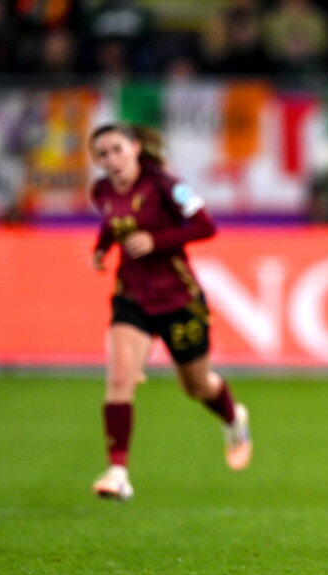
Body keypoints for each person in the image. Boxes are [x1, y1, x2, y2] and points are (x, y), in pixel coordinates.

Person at [88, 123, 253, 501]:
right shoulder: (102, 191)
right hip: (132, 296)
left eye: (117, 149)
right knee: (120, 377)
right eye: (102, 154)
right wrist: (102, 247)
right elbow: (113, 224)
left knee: (196, 386)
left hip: (179, 299)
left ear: (135, 147)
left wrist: (156, 241)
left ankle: (233, 418)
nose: (111, 159)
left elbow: (205, 226)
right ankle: (118, 472)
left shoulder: (164, 184)